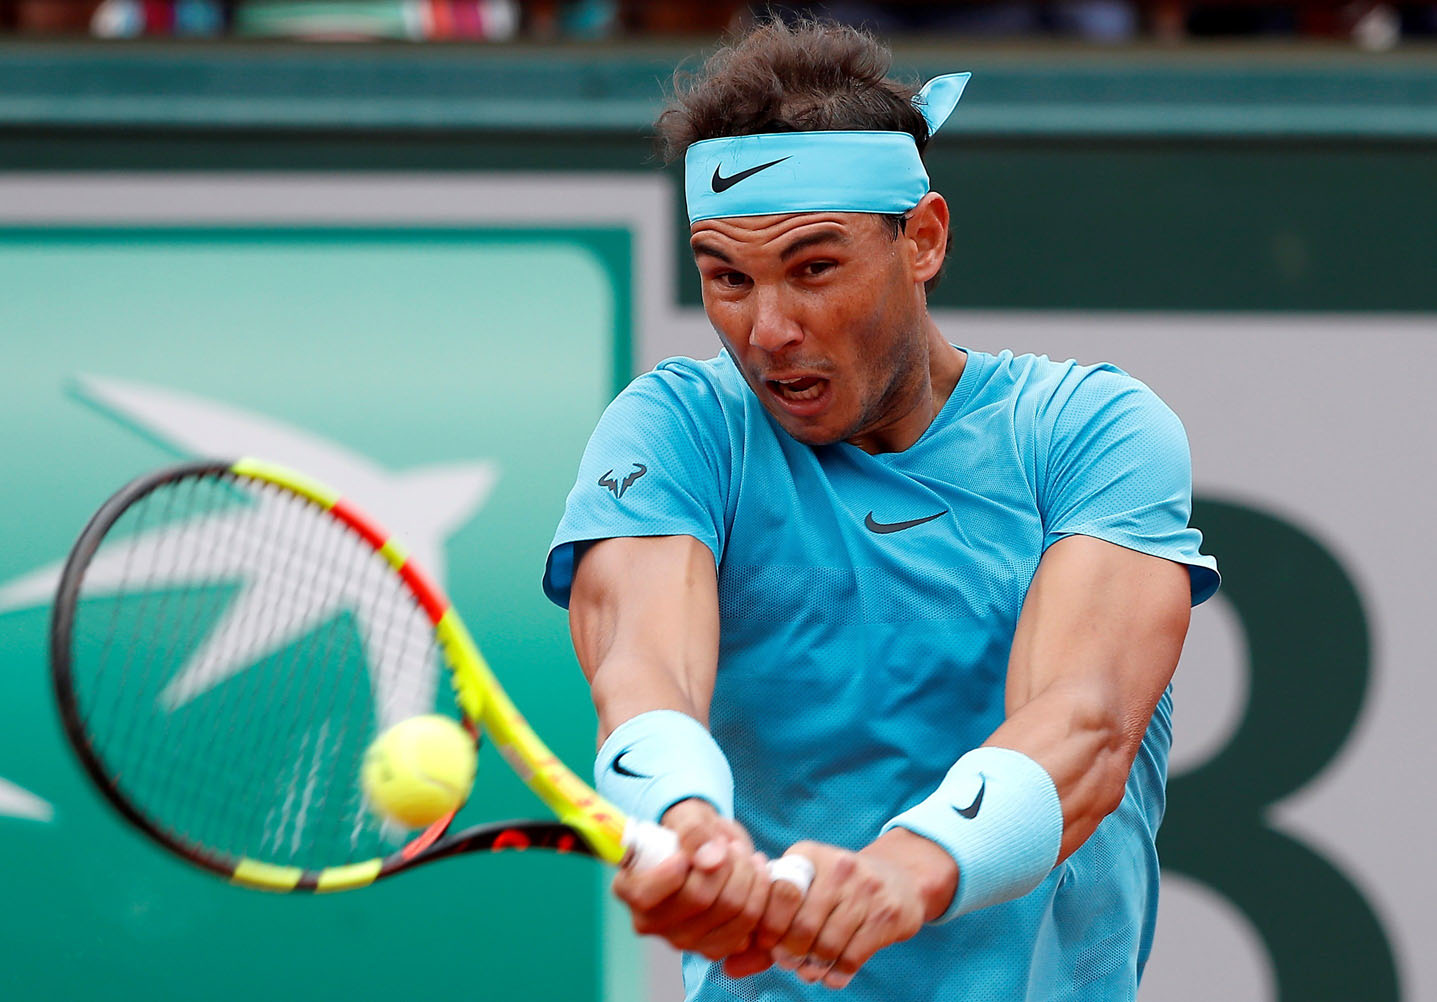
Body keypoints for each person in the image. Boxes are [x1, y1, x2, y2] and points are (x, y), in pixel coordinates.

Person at [542, 18, 1219, 1001]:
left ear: (924, 240)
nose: (767, 330)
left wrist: (910, 866)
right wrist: (689, 825)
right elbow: (642, 670)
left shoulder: (1091, 433)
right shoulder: (677, 430)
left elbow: (1085, 726)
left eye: (814, 269)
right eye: (726, 277)